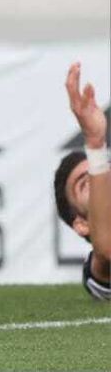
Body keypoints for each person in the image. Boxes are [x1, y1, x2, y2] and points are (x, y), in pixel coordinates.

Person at [54, 62, 110, 301]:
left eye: (103, 173)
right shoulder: (100, 271)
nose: (101, 182)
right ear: (81, 225)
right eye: (86, 183)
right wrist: (95, 144)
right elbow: (107, 250)